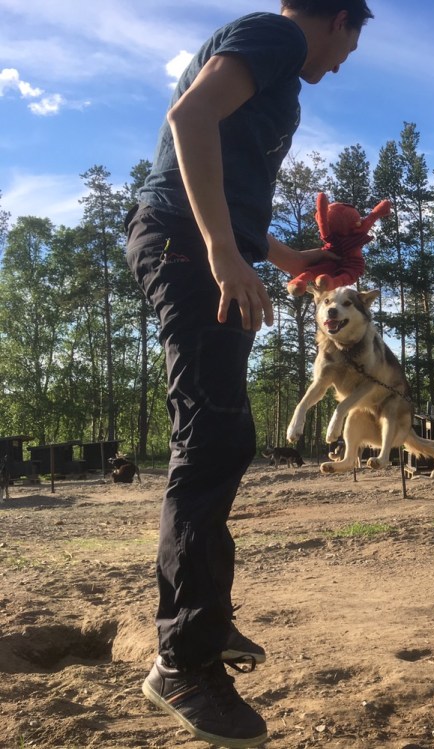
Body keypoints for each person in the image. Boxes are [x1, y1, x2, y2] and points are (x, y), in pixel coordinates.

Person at [125, 2, 373, 746]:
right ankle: (182, 661)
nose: (342, 65)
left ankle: (204, 621)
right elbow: (190, 119)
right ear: (339, 19)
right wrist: (221, 252)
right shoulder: (276, 35)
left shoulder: (277, 67)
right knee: (209, 442)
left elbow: (226, 177)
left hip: (194, 243)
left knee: (225, 440)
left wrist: (289, 257)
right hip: (184, 246)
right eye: (350, 47)